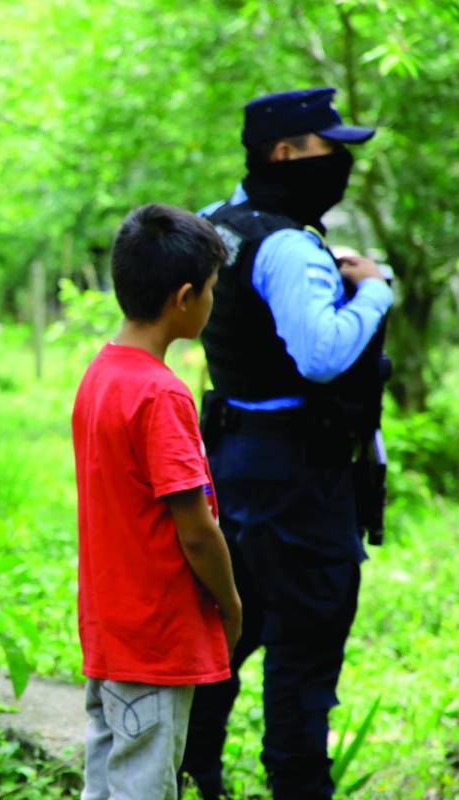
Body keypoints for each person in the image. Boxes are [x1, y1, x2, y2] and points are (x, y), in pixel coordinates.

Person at [178, 88, 394, 800]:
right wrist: (373, 293)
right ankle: (297, 786)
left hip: (231, 464)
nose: (342, 162)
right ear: (285, 153)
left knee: (229, 632)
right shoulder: (289, 246)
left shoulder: (216, 225)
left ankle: (196, 775)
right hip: (302, 478)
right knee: (303, 651)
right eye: (330, 147)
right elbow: (322, 353)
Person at [72, 204, 242, 800]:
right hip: (157, 636)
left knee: (109, 781)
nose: (213, 303)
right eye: (213, 291)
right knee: (145, 786)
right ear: (185, 296)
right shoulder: (160, 393)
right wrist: (230, 601)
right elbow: (195, 529)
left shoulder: (100, 375)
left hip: (111, 629)